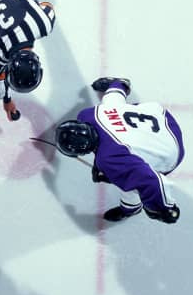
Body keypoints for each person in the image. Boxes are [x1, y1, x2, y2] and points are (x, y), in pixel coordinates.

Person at [54, 77, 185, 223]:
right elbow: (114, 97)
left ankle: (130, 209)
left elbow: (149, 181)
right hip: (159, 115)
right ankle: (130, 204)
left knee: (130, 182)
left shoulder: (109, 158)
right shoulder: (90, 114)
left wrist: (163, 208)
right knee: (120, 111)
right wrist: (118, 84)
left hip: (171, 152)